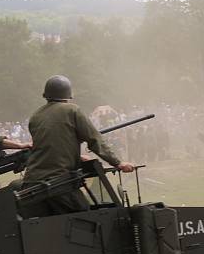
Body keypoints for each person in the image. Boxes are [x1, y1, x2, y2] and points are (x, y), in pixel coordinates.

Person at [19, 75, 134, 216]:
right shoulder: (72, 110)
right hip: (58, 183)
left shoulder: (35, 116)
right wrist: (118, 162)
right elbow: (94, 140)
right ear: (68, 94)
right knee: (87, 220)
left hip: (31, 185)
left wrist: (77, 157)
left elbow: (49, 147)